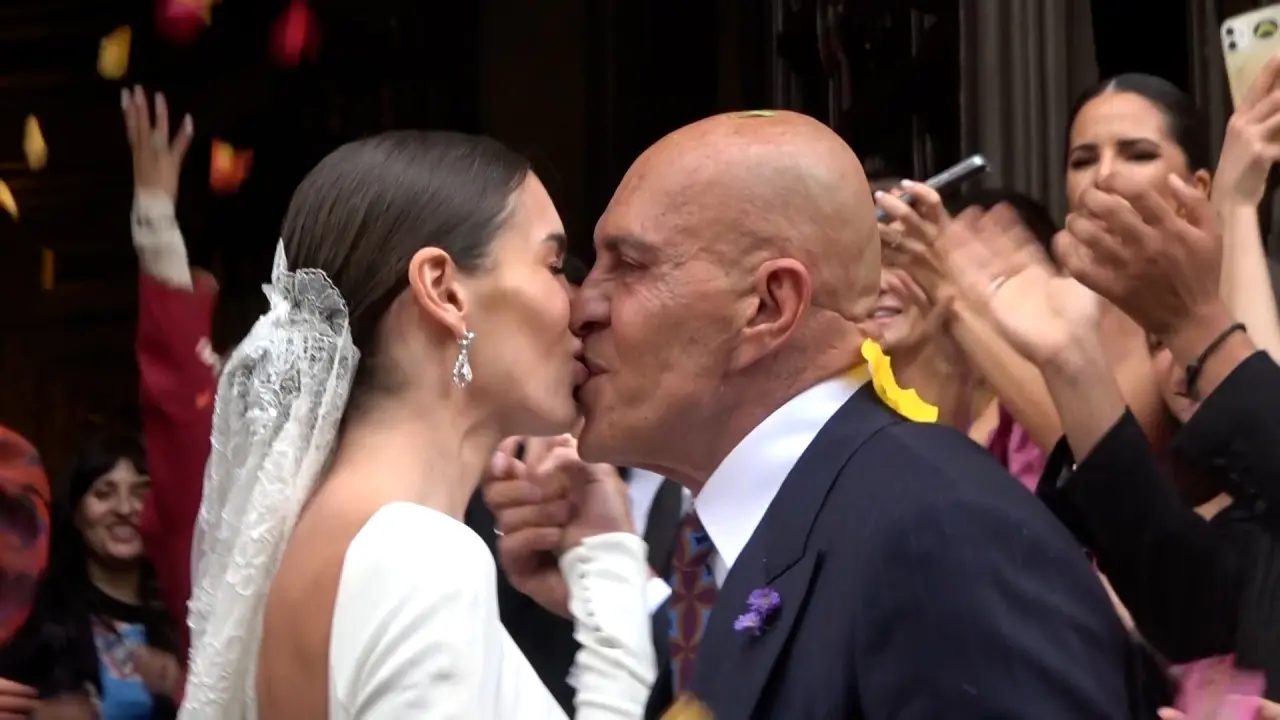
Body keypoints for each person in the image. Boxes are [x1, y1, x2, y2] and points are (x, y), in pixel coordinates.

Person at [488, 110, 1134, 718]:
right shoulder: (754, 537)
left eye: (629, 265)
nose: (583, 306)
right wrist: (606, 582)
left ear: (769, 307)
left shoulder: (940, 534)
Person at [179, 130, 655, 718]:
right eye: (554, 266)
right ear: (444, 291)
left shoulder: (315, 539)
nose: (582, 306)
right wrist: (612, 566)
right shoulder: (420, 558)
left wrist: (601, 568)